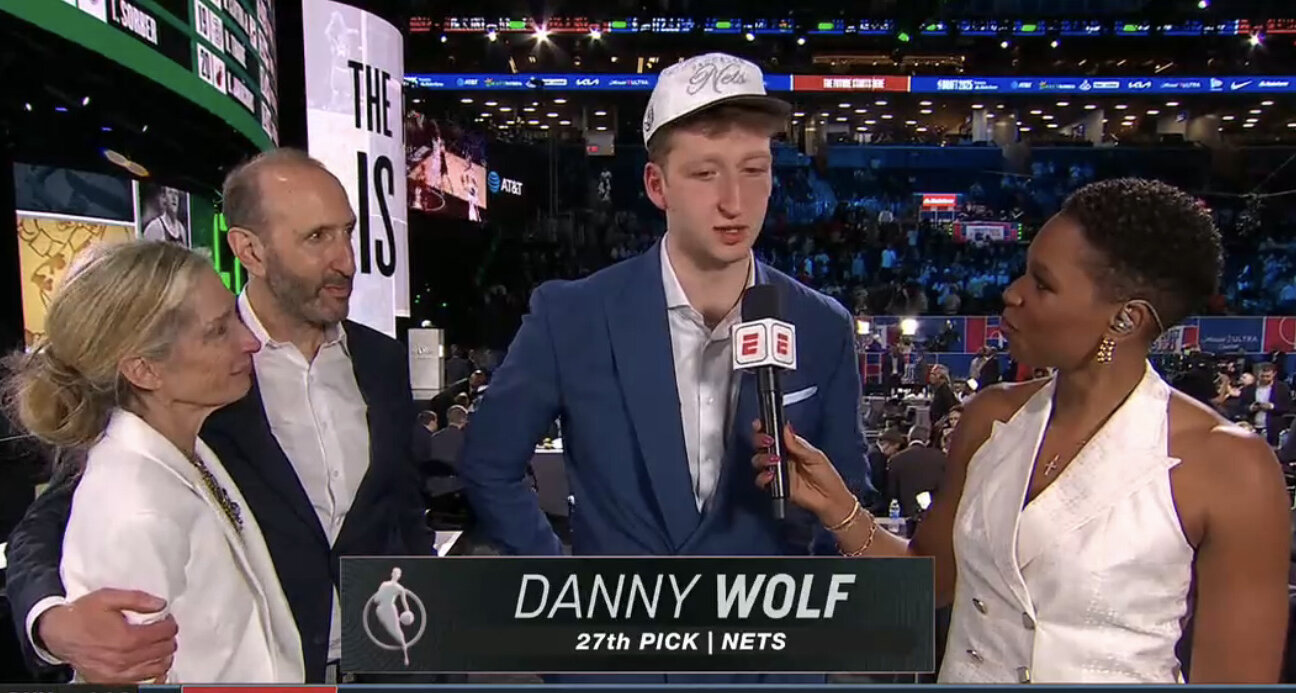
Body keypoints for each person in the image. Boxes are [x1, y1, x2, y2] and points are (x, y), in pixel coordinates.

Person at [751, 178, 1289, 683]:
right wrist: (837, 507)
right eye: (1024, 271)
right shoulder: (990, 420)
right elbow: (931, 583)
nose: (1012, 293)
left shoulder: (1230, 469)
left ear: (1126, 319)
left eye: (1043, 284)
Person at [460, 52, 868, 684]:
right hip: (614, 665)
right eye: (706, 173)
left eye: (754, 170)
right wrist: (564, 599)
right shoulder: (572, 315)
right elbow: (489, 466)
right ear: (658, 186)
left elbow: (848, 494)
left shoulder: (821, 326)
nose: (735, 201)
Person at [5, 148, 431, 683]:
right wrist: (50, 623)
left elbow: (403, 509)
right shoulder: (186, 370)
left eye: (347, 232)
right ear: (249, 249)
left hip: (384, 664)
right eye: (316, 238)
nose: (346, 260)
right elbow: (55, 524)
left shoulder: (381, 361)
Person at [4, 241, 300, 681]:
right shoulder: (134, 508)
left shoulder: (187, 451)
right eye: (218, 330)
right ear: (144, 369)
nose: (251, 341)